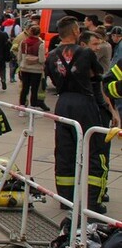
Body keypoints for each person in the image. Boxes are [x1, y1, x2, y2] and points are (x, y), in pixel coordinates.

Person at [45, 16, 115, 214]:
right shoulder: (85, 52)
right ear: (76, 32)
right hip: (85, 102)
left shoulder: (51, 55)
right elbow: (97, 75)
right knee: (95, 150)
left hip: (63, 103)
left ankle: (65, 199)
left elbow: (51, 77)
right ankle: (92, 202)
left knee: (64, 152)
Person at [16, 24, 48, 113]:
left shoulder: (23, 42)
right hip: (36, 70)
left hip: (24, 68)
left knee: (24, 88)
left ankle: (22, 108)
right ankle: (33, 107)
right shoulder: (41, 44)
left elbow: (19, 57)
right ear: (39, 33)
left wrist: (21, 65)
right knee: (34, 89)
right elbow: (42, 59)